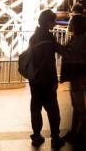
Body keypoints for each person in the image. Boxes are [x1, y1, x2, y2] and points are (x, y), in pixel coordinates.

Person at [28, 10, 66, 149]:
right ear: (47, 22)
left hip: (35, 78)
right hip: (46, 79)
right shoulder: (48, 38)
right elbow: (53, 59)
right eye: (53, 21)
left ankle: (37, 135)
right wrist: (54, 80)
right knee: (53, 110)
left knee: (36, 107)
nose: (55, 23)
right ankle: (55, 137)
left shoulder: (34, 37)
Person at [61, 15, 86, 148]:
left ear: (77, 25)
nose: (69, 25)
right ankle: (75, 132)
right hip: (75, 76)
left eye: (71, 23)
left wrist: (60, 48)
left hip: (78, 76)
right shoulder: (76, 39)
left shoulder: (80, 40)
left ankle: (81, 133)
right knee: (76, 106)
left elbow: (74, 56)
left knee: (80, 107)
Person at [68, 4, 86, 97]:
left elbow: (70, 31)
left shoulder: (74, 20)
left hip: (76, 48)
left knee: (76, 69)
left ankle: (76, 88)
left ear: (74, 11)